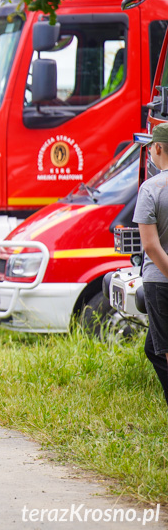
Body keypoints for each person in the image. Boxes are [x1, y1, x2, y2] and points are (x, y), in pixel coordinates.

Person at [133, 124, 168, 408]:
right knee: (152, 347)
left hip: (160, 281)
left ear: (157, 148)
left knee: (165, 349)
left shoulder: (151, 188)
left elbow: (150, 246)